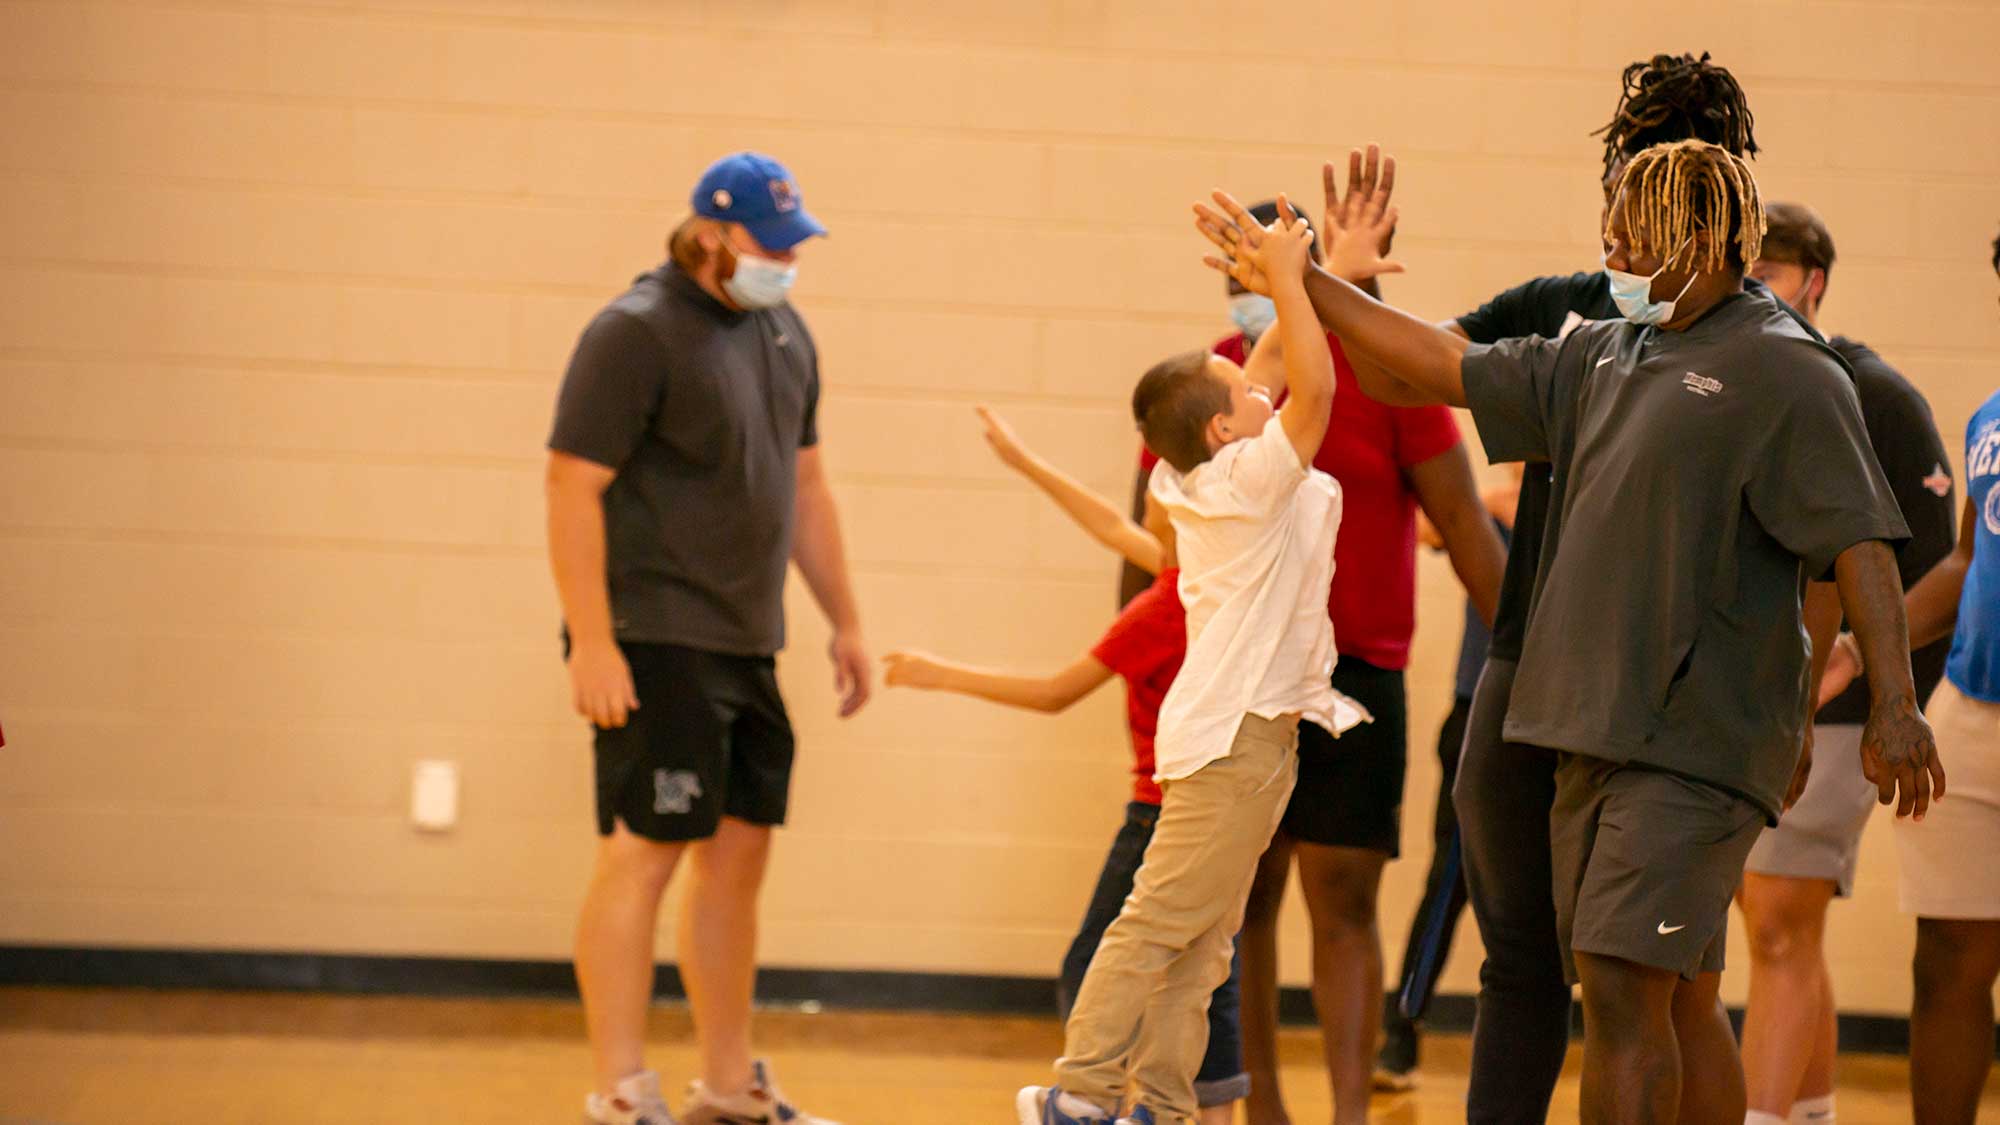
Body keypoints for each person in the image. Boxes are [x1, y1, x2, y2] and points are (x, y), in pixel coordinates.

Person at [1194, 138, 1942, 1125]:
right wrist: (1312, 282)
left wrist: (1890, 703)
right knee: (1651, 989)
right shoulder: (1605, 348)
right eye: (1611, 228)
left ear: (1708, 238)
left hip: (1695, 737)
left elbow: (1858, 546)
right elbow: (1431, 363)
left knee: (1625, 980)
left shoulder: (1789, 372)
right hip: (1588, 725)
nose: (1613, 248)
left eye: (1637, 233)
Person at [1323, 52, 1771, 1122]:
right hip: (1528, 671)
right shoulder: (1570, 310)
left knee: (1671, 991)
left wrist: (1799, 710)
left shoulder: (1766, 350)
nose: (1631, 185)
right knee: (1518, 961)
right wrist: (1345, 279)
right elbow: (1413, 374)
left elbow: (1829, 553)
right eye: (1626, 160)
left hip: (1674, 706)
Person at [1127, 186, 1503, 1125]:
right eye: (1238, 267)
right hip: (1239, 681)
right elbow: (1155, 545)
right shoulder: (1212, 383)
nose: (1250, 283)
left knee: (1343, 905)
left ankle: (1346, 1115)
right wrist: (1145, 682)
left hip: (1356, 671)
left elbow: (1463, 521)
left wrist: (1530, 653)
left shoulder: (1385, 373)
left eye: (1270, 263)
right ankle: (1262, 1113)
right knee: (1239, 904)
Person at [1019, 200, 1373, 1125]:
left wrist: (1313, 270)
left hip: (1241, 739)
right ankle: (1082, 1092)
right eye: (1246, 396)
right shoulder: (1251, 478)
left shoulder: (1197, 469)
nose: (1264, 389)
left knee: (1204, 945)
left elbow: (1261, 367)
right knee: (1156, 925)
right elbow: (1316, 389)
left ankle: (1164, 1106)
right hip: (1235, 742)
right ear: (1225, 430)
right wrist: (1294, 285)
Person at [545, 152, 869, 1125]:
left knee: (738, 857)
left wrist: (843, 619)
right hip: (655, 634)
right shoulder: (633, 333)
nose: (785, 259)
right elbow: (571, 485)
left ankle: (728, 1091)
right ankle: (619, 1090)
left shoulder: (782, 331)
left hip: (743, 639)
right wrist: (593, 643)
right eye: (770, 244)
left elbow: (805, 485)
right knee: (644, 852)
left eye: (792, 243)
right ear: (711, 235)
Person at [881, 406, 1247, 1125]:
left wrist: (939, 673)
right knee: (1206, 962)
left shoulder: (1159, 609)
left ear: (1176, 516)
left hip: (1160, 808)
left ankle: (1097, 1100)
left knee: (1097, 964)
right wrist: (1024, 462)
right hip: (1224, 806)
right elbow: (1111, 526)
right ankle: (1204, 1108)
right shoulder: (1214, 581)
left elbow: (1054, 694)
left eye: (1156, 497)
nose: (1143, 509)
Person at [1732, 202, 1958, 1125]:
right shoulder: (1740, 382)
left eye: (1769, 273)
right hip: (1756, 699)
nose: (1755, 291)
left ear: (1812, 281)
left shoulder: (1878, 395)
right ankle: (1813, 1110)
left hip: (1836, 703)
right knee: (1778, 924)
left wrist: (1874, 681)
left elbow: (1937, 558)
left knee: (1781, 918)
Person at [1817, 231, 2000, 1125]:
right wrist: (1858, 648)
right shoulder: (1992, 415)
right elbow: (1970, 558)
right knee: (1947, 962)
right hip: (1973, 704)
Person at [1375, 467, 1520, 1090]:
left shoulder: (1591, 501)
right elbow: (1429, 526)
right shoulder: (1492, 503)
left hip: (1557, 727)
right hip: (1478, 719)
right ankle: (1401, 1030)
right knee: (1450, 879)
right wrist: (1494, 502)